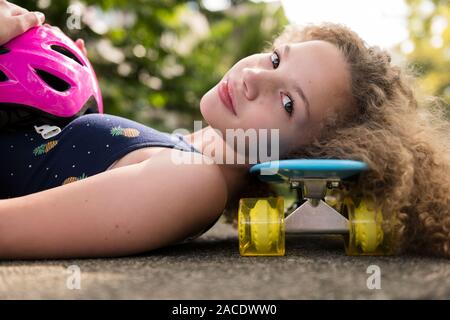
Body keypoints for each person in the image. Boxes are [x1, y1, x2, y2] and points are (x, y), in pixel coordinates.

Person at [0, 1, 449, 259]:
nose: (255, 77)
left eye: (289, 102)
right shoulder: (194, 151)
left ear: (302, 160)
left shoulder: (193, 182)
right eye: (276, 58)